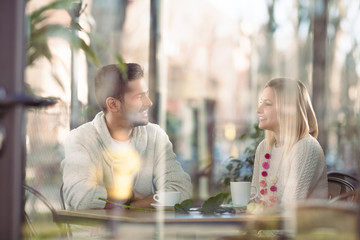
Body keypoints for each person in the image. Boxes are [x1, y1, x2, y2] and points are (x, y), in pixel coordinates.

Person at [61, 63, 192, 210]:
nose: (149, 103)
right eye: (139, 97)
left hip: (144, 233)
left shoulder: (155, 136)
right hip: (97, 233)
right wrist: (129, 195)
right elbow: (80, 196)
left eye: (146, 95)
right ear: (113, 104)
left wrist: (132, 205)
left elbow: (181, 190)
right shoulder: (81, 139)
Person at [251, 78, 328, 207]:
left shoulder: (306, 147)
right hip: (269, 226)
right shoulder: (264, 148)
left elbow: (289, 210)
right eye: (260, 103)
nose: (258, 110)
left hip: (302, 227)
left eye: (267, 104)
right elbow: (255, 197)